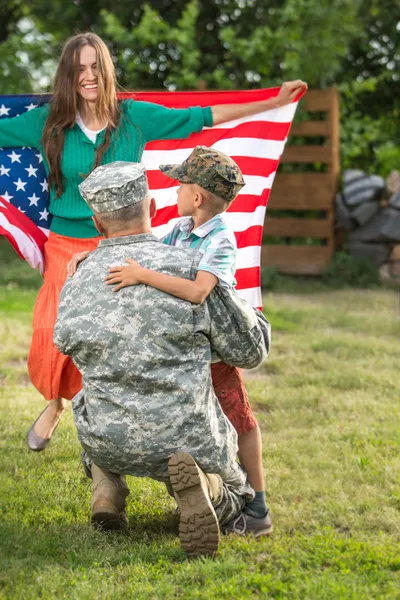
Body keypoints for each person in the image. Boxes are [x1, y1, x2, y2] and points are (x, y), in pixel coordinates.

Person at [0, 29, 306, 451]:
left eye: (95, 67)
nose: (87, 76)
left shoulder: (135, 119)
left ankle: (110, 436)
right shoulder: (49, 123)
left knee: (118, 339)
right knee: (49, 332)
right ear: (67, 77)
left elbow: (202, 117)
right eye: (78, 69)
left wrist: (273, 101)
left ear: (106, 71)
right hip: (66, 244)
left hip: (121, 246)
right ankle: (55, 403)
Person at [53, 161, 272, 558]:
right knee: (237, 490)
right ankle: (208, 489)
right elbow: (250, 351)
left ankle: (106, 488)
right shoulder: (191, 269)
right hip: (183, 438)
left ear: (98, 223)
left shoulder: (77, 278)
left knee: (91, 395)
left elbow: (64, 341)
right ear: (152, 208)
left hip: (108, 438)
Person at [98, 146, 268, 523]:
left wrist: (142, 276)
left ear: (197, 197)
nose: (173, 192)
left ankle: (258, 505)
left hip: (215, 351)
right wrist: (96, 255)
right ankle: (204, 493)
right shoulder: (179, 228)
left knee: (238, 419)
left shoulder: (220, 239)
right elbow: (150, 256)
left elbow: (198, 291)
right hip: (186, 350)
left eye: (179, 186)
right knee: (196, 423)